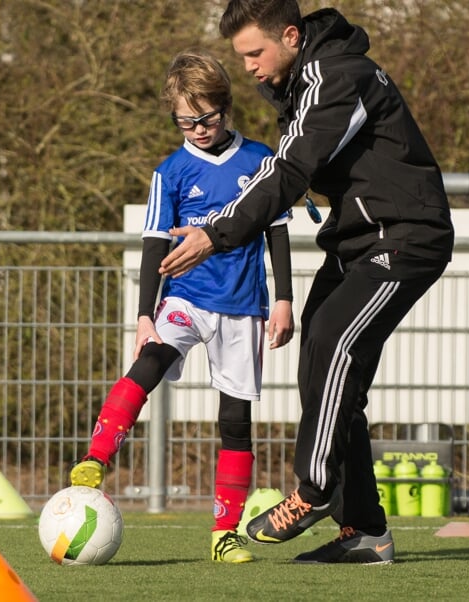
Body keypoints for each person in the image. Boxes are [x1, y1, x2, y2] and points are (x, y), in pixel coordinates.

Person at [159, 0, 454, 565]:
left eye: (254, 52)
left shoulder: (335, 76)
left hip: (405, 237)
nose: (246, 66)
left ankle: (314, 491)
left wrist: (216, 233)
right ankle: (365, 532)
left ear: (291, 36)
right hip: (358, 241)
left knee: (332, 344)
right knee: (326, 374)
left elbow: (289, 171)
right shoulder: (303, 83)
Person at [70, 48, 295, 564]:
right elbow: (153, 245)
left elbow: (277, 234)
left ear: (226, 109)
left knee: (235, 421)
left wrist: (283, 298)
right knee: (148, 362)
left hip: (243, 307)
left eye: (206, 118)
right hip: (185, 298)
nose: (196, 128)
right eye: (184, 120)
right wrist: (145, 312)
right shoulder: (168, 172)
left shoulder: (261, 161)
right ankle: (96, 458)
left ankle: (223, 534)